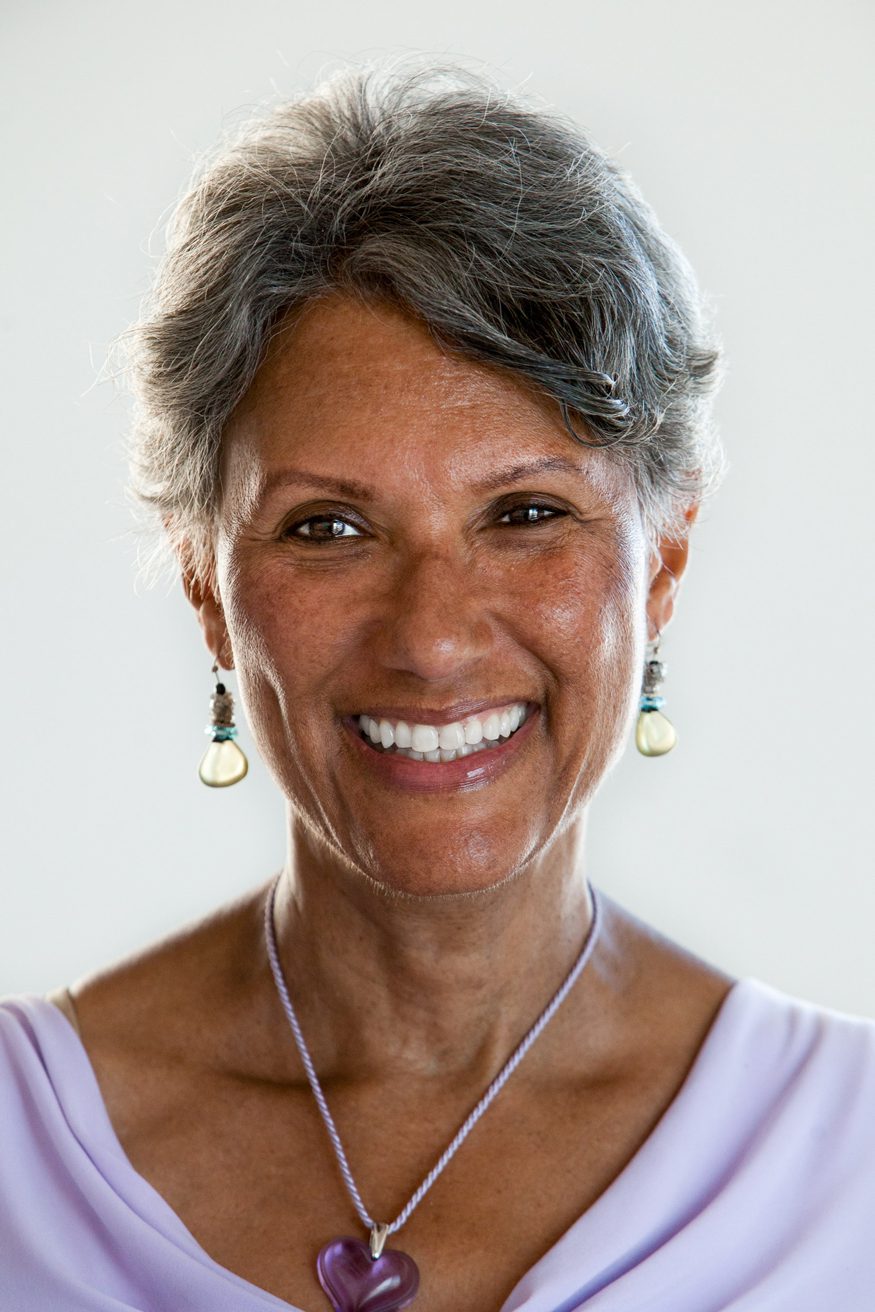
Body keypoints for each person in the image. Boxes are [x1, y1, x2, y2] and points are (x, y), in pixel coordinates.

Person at [1, 63, 872, 1312]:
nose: (431, 641)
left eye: (524, 514)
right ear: (206, 585)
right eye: (327, 528)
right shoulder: (18, 1152)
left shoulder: (849, 1160)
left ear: (660, 561)